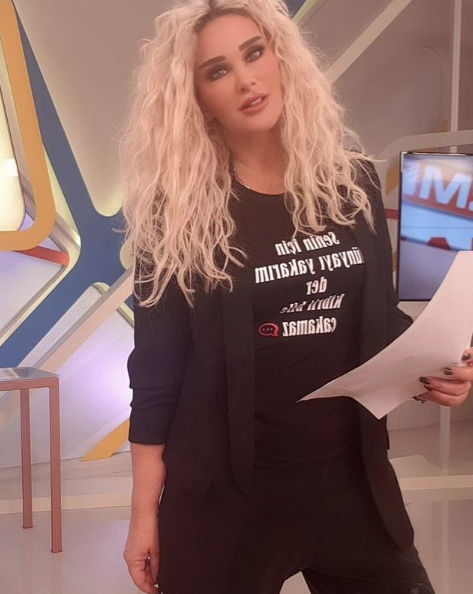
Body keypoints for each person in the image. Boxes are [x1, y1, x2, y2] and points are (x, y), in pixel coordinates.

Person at [119, 1, 473, 593]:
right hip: (228, 499)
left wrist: (438, 369)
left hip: (352, 483)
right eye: (218, 70)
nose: (246, 79)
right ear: (196, 99)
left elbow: (376, 320)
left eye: (254, 53)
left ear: (281, 57)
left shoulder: (351, 184)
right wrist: (142, 516)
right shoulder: (177, 216)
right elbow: (156, 377)